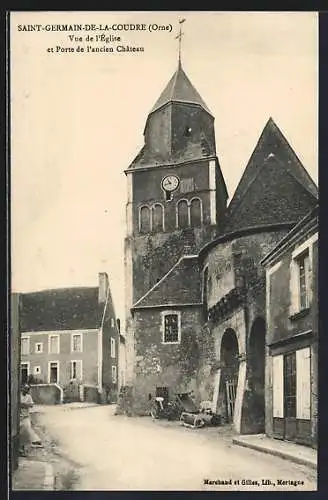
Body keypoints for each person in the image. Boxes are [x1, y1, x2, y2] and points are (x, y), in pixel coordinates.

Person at [19, 384, 42, 456]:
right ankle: (20, 449)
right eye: (25, 388)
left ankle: (25, 449)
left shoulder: (28, 397)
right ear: (22, 388)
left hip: (26, 417)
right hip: (18, 417)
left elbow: (31, 404)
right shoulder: (18, 396)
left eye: (27, 389)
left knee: (26, 432)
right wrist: (23, 405)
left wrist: (24, 404)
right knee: (19, 433)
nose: (26, 390)